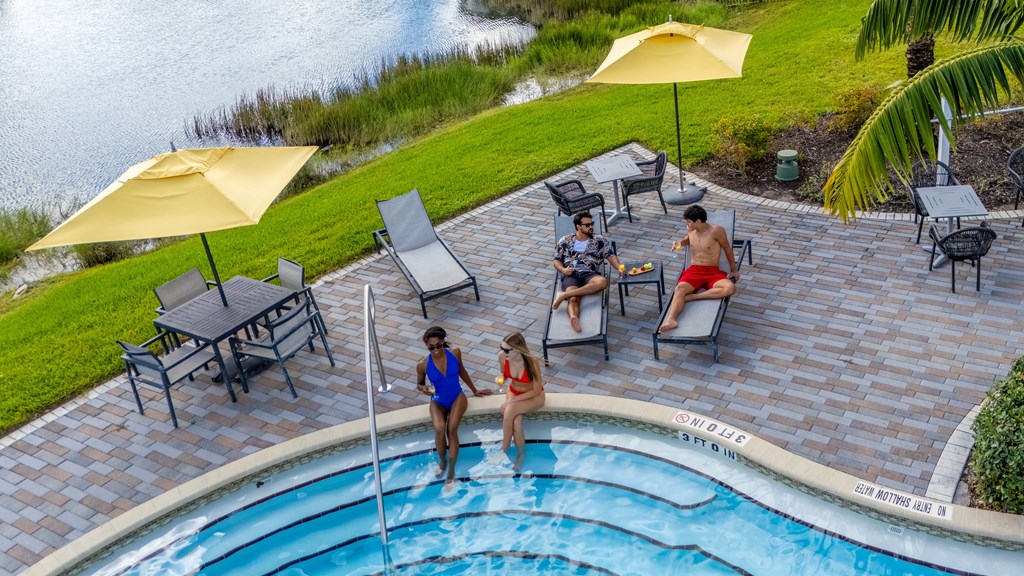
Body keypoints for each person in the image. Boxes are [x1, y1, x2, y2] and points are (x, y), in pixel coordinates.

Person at [415, 326, 491, 483]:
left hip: (457, 396)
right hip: (437, 400)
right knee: (439, 428)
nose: (435, 350)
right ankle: (442, 462)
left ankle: (451, 469)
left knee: (452, 428)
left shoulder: (455, 353)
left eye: (438, 345)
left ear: (443, 342)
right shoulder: (422, 365)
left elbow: (462, 371)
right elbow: (419, 384)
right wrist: (424, 389)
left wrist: (475, 390)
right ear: (427, 346)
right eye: (431, 347)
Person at [658, 204, 739, 333]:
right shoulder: (690, 229)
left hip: (712, 271)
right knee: (679, 288)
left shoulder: (716, 231)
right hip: (694, 270)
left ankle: (694, 297)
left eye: (689, 222)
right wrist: (680, 243)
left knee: (730, 288)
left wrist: (734, 270)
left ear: (698, 221)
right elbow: (688, 240)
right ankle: (671, 320)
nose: (687, 224)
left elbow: (727, 249)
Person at [552, 211, 622, 332]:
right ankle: (574, 318)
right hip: (571, 274)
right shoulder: (565, 240)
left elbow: (611, 255)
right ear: (578, 226)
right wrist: (563, 269)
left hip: (590, 273)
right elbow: (556, 260)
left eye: (592, 224)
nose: (591, 227)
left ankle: (563, 295)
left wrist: (620, 268)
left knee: (602, 282)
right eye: (587, 225)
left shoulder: (599, 240)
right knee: (573, 299)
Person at [496, 332, 545, 470]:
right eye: (501, 347)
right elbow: (504, 374)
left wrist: (510, 402)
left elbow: (536, 390)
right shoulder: (502, 357)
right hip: (513, 391)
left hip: (533, 396)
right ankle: (521, 455)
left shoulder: (531, 361)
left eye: (506, 349)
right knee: (516, 423)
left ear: (517, 349)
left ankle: (503, 450)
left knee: (509, 411)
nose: (503, 351)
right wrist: (500, 378)